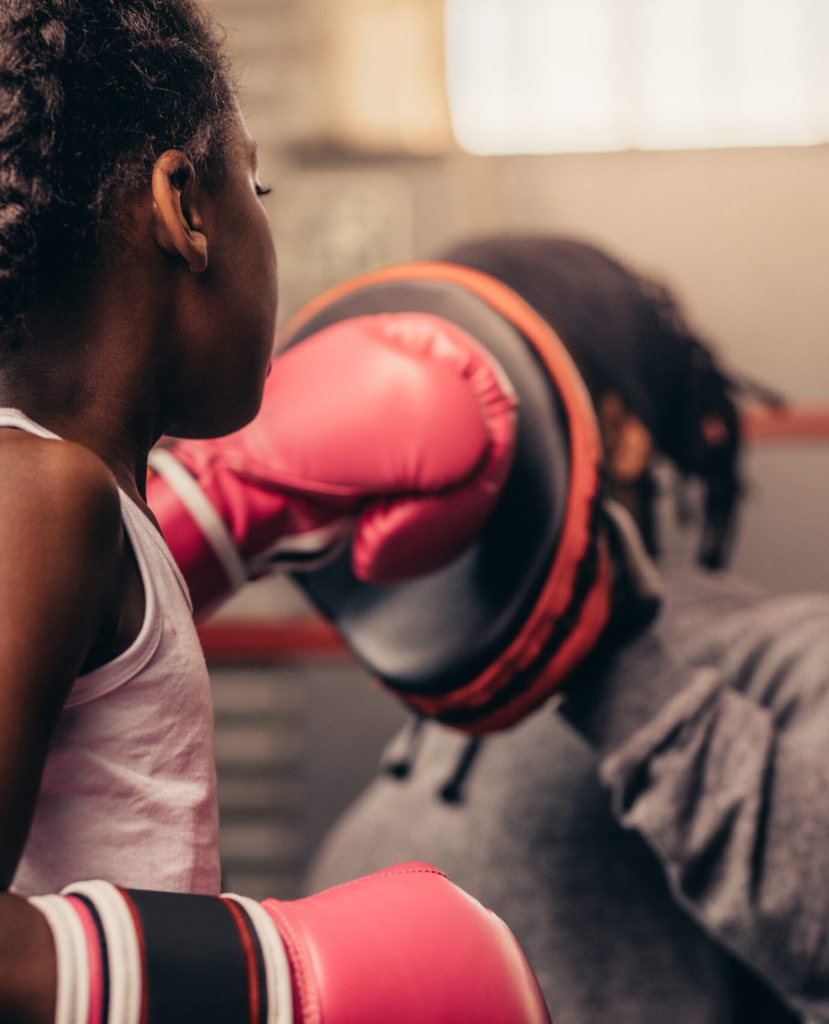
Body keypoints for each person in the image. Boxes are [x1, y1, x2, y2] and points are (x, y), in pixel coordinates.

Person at [0, 6, 549, 1024]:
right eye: (257, 181)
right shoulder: (34, 497)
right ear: (182, 204)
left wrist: (214, 519)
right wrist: (292, 971)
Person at [303, 237, 829, 1023]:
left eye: (477, 394)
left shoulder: (785, 652)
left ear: (618, 434)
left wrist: (614, 660)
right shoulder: (444, 708)